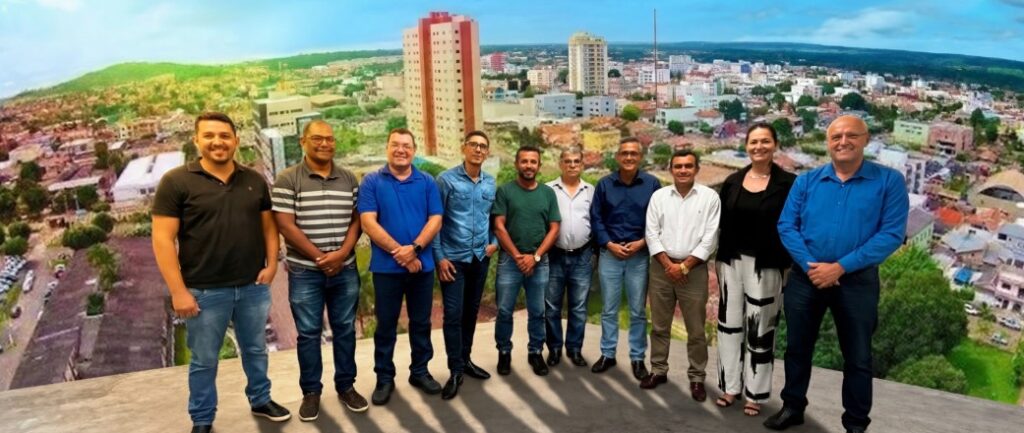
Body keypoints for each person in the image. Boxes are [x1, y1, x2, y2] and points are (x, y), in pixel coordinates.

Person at [765, 115, 909, 433]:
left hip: (856, 282)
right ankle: (792, 407)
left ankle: (855, 424)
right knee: (797, 347)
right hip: (807, 278)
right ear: (828, 142)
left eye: (851, 135)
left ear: (866, 139)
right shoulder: (807, 181)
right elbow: (787, 226)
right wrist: (810, 266)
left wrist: (841, 267)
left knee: (858, 356)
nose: (843, 141)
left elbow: (891, 235)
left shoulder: (889, 182)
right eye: (836, 136)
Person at [153, 112, 290, 433]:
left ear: (236, 141)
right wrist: (178, 291)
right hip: (204, 290)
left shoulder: (254, 180)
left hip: (252, 287)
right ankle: (202, 419)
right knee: (204, 360)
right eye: (210, 135)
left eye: (225, 136)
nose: (218, 142)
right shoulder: (176, 182)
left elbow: (269, 228)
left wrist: (272, 265)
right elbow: (162, 240)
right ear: (197, 140)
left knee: (255, 350)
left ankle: (261, 399)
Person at [271, 120, 366, 421]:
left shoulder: (348, 178)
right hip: (305, 272)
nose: (325, 144)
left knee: (345, 329)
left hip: (345, 269)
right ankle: (311, 392)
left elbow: (357, 220)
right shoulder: (287, 179)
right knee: (309, 334)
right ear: (303, 141)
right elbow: (285, 224)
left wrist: (341, 254)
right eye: (317, 138)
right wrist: (320, 257)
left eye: (330, 139)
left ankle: (346, 386)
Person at [714, 123, 796, 416]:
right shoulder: (733, 181)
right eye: (753, 142)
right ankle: (730, 386)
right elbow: (720, 222)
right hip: (730, 261)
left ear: (775, 145)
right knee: (728, 326)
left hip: (767, 264)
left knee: (761, 330)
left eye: (765, 141)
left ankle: (755, 393)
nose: (759, 147)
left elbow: (796, 224)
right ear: (746, 146)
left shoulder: (789, 184)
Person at [358, 128, 443, 405]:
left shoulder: (427, 181)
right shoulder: (372, 181)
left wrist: (415, 249)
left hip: (422, 268)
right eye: (395, 144)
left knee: (421, 323)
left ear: (414, 151)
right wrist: (401, 253)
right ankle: (384, 378)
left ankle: (420, 371)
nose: (401, 150)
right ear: (387, 148)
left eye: (406, 146)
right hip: (386, 270)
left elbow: (435, 220)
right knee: (386, 325)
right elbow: (368, 222)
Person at [641, 150, 720, 403]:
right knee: (659, 325)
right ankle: (658, 370)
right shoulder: (659, 197)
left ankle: (697, 377)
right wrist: (669, 266)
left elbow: (710, 238)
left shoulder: (709, 197)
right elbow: (651, 233)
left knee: (696, 329)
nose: (683, 170)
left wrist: (684, 267)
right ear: (671, 169)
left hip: (694, 271)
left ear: (696, 169)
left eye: (688, 166)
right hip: (661, 269)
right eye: (678, 166)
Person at [433, 130, 499, 400]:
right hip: (453, 260)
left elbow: (494, 218)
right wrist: (439, 257)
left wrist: (495, 242)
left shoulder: (490, 183)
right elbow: (435, 220)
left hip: (480, 259)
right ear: (464, 148)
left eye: (483, 146)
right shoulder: (446, 180)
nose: (478, 150)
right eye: (474, 145)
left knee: (471, 312)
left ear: (487, 152)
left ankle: (466, 360)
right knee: (453, 314)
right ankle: (455, 370)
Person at [590, 137, 661, 380]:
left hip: (638, 255)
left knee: (638, 311)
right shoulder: (604, 184)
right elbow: (596, 218)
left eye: (633, 153)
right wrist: (609, 244)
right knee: (609, 309)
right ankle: (607, 354)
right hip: (610, 254)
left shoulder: (652, 184)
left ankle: (637, 358)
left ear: (640, 157)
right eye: (624, 153)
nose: (629, 157)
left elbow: (658, 220)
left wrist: (642, 243)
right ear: (618, 157)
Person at [492, 145, 561, 377]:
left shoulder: (547, 194)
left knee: (538, 311)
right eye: (524, 161)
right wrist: (518, 256)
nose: (528, 165)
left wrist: (536, 257)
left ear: (539, 166)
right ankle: (504, 352)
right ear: (516, 164)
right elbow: (499, 226)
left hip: (539, 262)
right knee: (504, 311)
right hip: (510, 262)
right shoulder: (505, 191)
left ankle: (535, 352)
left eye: (533, 161)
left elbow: (554, 228)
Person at [544, 146, 594, 368]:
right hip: (554, 255)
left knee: (579, 307)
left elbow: (596, 220)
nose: (572, 165)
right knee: (551, 306)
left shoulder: (591, 191)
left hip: (582, 256)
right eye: (568, 161)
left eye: (576, 161)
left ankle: (574, 349)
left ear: (582, 164)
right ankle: (554, 349)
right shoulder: (548, 190)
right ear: (560, 164)